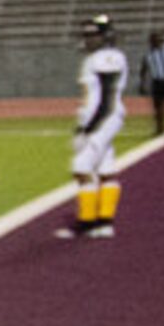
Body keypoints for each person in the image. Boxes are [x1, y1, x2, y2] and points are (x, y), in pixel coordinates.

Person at [62, 13, 128, 239]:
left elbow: (107, 98)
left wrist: (88, 127)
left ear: (105, 36)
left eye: (93, 34)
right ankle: (104, 222)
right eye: (86, 34)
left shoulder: (107, 57)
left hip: (104, 118)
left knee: (81, 167)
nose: (88, 39)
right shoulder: (95, 58)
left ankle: (87, 221)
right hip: (98, 118)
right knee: (105, 168)